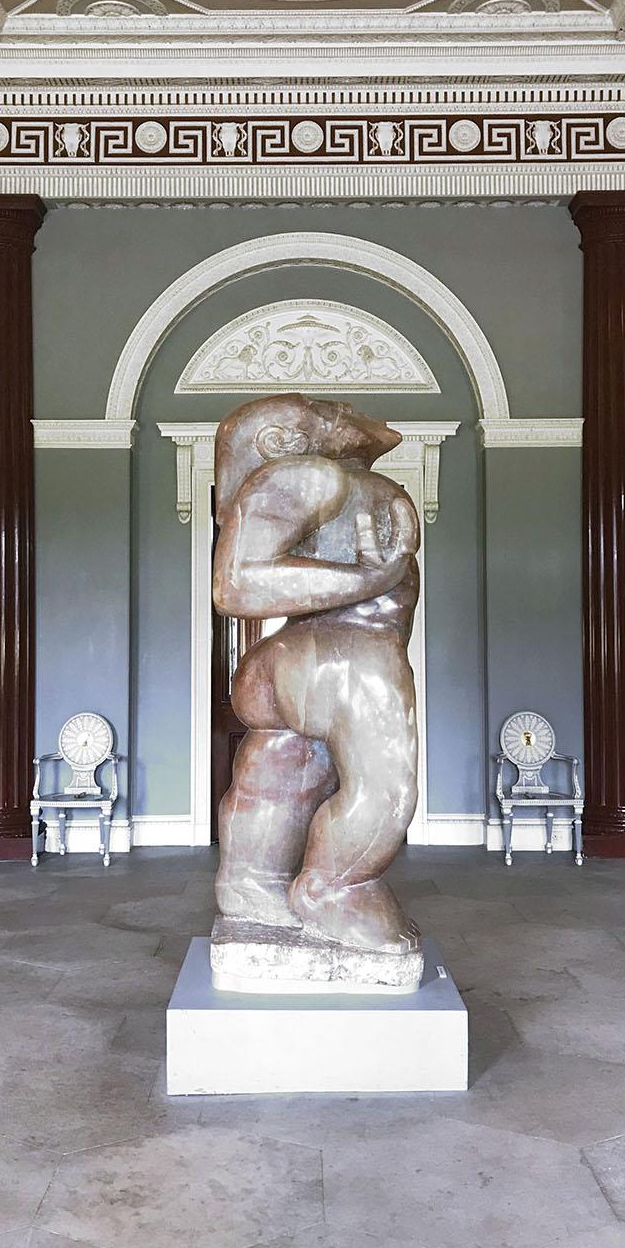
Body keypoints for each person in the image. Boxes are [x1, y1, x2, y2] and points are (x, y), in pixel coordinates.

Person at [212, 394, 421, 956]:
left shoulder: (326, 482)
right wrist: (369, 581)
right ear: (284, 439)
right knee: (386, 786)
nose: (345, 408)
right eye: (323, 407)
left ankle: (251, 889)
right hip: (346, 653)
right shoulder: (307, 476)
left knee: (277, 770)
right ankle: (336, 890)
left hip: (300, 659)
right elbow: (236, 585)